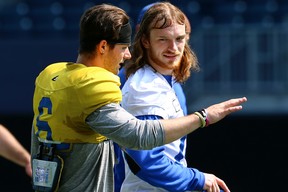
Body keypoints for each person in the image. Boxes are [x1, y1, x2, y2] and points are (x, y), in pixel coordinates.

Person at [30, 3, 247, 192]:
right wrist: (204, 117)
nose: (127, 55)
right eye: (124, 47)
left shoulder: (53, 76)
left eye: (181, 38)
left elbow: (36, 140)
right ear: (103, 46)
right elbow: (139, 138)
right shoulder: (96, 86)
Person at [120, 2, 232, 192]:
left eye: (179, 39)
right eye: (163, 39)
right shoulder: (145, 89)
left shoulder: (162, 80)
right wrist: (198, 179)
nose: (173, 48)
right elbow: (148, 162)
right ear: (145, 40)